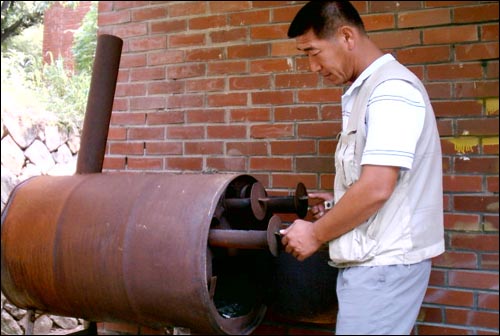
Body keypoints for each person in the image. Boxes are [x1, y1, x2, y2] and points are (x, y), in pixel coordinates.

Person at [279, 1, 445, 334]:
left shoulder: (390, 91)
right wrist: (339, 203)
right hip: (378, 265)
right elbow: (376, 183)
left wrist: (314, 234)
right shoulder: (370, 91)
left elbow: (376, 187)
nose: (312, 67)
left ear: (346, 36)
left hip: (382, 267)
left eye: (313, 52)